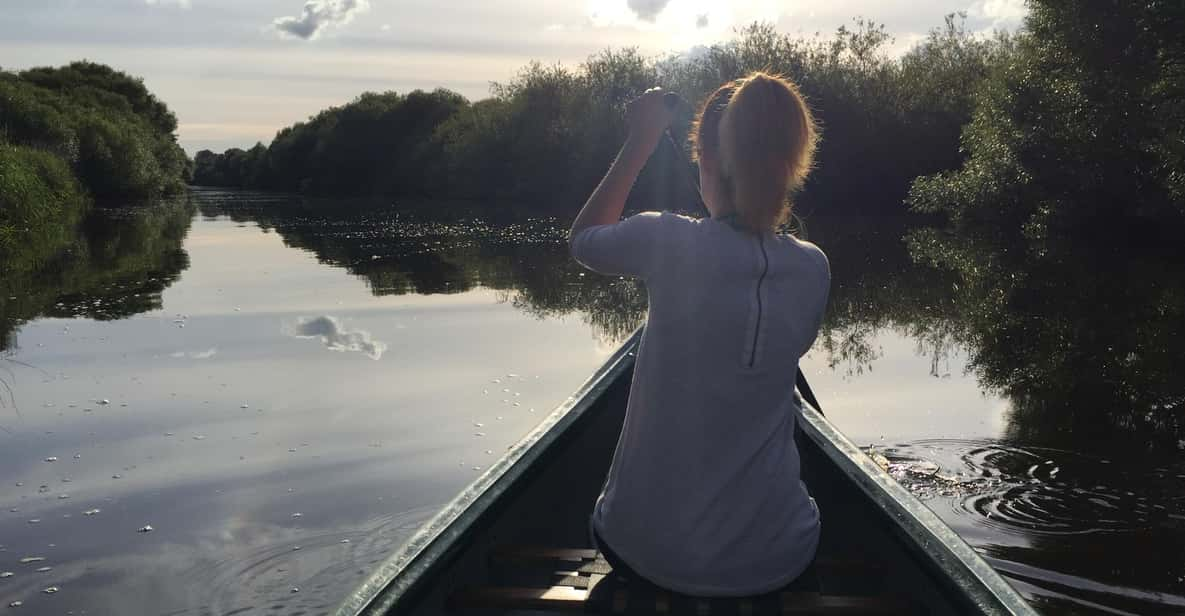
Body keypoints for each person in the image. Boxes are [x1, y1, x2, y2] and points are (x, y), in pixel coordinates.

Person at [568, 72, 830, 597]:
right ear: (792, 166)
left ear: (707, 161)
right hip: (779, 559)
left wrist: (639, 140)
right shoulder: (814, 268)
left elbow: (584, 240)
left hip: (644, 554)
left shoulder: (664, 237)